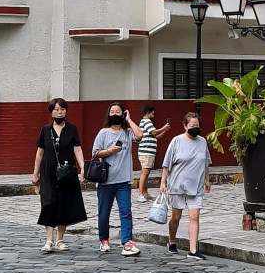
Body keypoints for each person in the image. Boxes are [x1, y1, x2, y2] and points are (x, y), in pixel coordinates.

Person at [32, 98, 87, 252]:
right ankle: (49, 240)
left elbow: (77, 149)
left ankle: (60, 240)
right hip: (48, 172)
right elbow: (39, 153)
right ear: (51, 111)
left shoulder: (72, 129)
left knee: (64, 203)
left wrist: (82, 167)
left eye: (62, 109)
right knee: (48, 203)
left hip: (67, 171)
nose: (59, 112)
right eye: (56, 109)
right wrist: (35, 174)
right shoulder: (45, 130)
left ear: (66, 111)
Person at [92, 102, 144, 256]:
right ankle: (104, 240)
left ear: (122, 114)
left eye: (118, 111)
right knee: (104, 212)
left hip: (123, 181)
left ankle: (126, 241)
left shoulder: (127, 133)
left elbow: (140, 135)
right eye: (112, 111)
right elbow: (95, 153)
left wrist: (129, 120)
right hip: (106, 180)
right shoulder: (103, 133)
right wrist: (110, 151)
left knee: (126, 212)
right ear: (108, 115)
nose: (115, 114)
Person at [160, 112, 212, 260]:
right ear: (185, 126)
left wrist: (207, 180)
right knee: (176, 217)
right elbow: (166, 164)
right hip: (177, 185)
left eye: (197, 125)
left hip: (196, 186)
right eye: (192, 125)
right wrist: (163, 182)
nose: (195, 128)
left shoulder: (202, 142)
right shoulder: (176, 141)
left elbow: (205, 162)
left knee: (194, 216)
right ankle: (171, 241)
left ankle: (193, 250)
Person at [136, 104, 170, 202]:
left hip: (148, 152)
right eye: (153, 113)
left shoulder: (146, 122)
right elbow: (154, 133)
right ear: (149, 113)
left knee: (146, 173)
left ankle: (145, 193)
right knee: (145, 172)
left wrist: (165, 130)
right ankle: (140, 194)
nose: (153, 115)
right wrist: (163, 128)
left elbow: (156, 136)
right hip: (146, 151)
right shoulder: (147, 121)